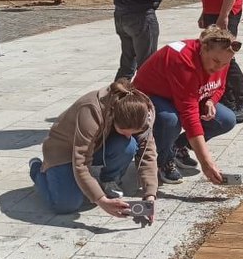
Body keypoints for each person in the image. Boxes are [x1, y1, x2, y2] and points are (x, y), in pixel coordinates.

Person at [28, 79, 158, 220]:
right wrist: (101, 200)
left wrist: (149, 195)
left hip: (97, 145)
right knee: (66, 205)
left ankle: (108, 179)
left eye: (133, 132)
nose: (128, 135)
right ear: (113, 116)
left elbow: (148, 153)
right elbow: (81, 162)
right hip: (63, 150)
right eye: (123, 130)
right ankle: (37, 169)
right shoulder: (90, 110)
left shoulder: (143, 112)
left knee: (129, 145)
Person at [132, 26, 239, 184]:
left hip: (183, 94)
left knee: (226, 119)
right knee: (170, 120)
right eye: (216, 61)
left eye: (224, 64)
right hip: (150, 95)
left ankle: (176, 146)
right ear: (203, 48)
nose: (219, 67)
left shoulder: (223, 57)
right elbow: (190, 116)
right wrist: (206, 163)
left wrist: (211, 100)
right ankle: (162, 159)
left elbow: (220, 85)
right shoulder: (183, 61)